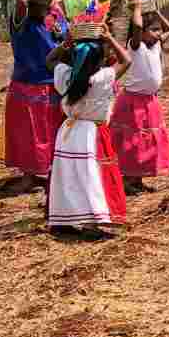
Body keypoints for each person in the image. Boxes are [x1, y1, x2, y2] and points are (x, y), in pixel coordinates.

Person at [46, 16, 132, 232]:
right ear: (99, 58)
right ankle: (94, 218)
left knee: (69, 174)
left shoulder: (66, 76)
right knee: (93, 174)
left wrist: (64, 44)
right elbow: (127, 61)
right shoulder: (102, 78)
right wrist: (110, 38)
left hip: (68, 132)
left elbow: (49, 62)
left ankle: (66, 218)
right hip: (92, 132)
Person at [3, 0, 68, 186]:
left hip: (52, 86)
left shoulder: (53, 24)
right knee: (28, 134)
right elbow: (21, 2)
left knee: (50, 131)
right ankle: (29, 176)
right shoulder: (22, 23)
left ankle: (49, 173)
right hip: (27, 87)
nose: (45, 2)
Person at [110, 3, 169, 194]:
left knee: (146, 140)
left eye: (158, 30)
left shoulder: (156, 46)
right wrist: (137, 8)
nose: (157, 33)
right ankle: (128, 179)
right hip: (133, 102)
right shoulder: (135, 46)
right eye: (153, 30)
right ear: (141, 32)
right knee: (132, 141)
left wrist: (156, 13)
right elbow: (137, 27)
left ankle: (137, 179)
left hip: (149, 101)